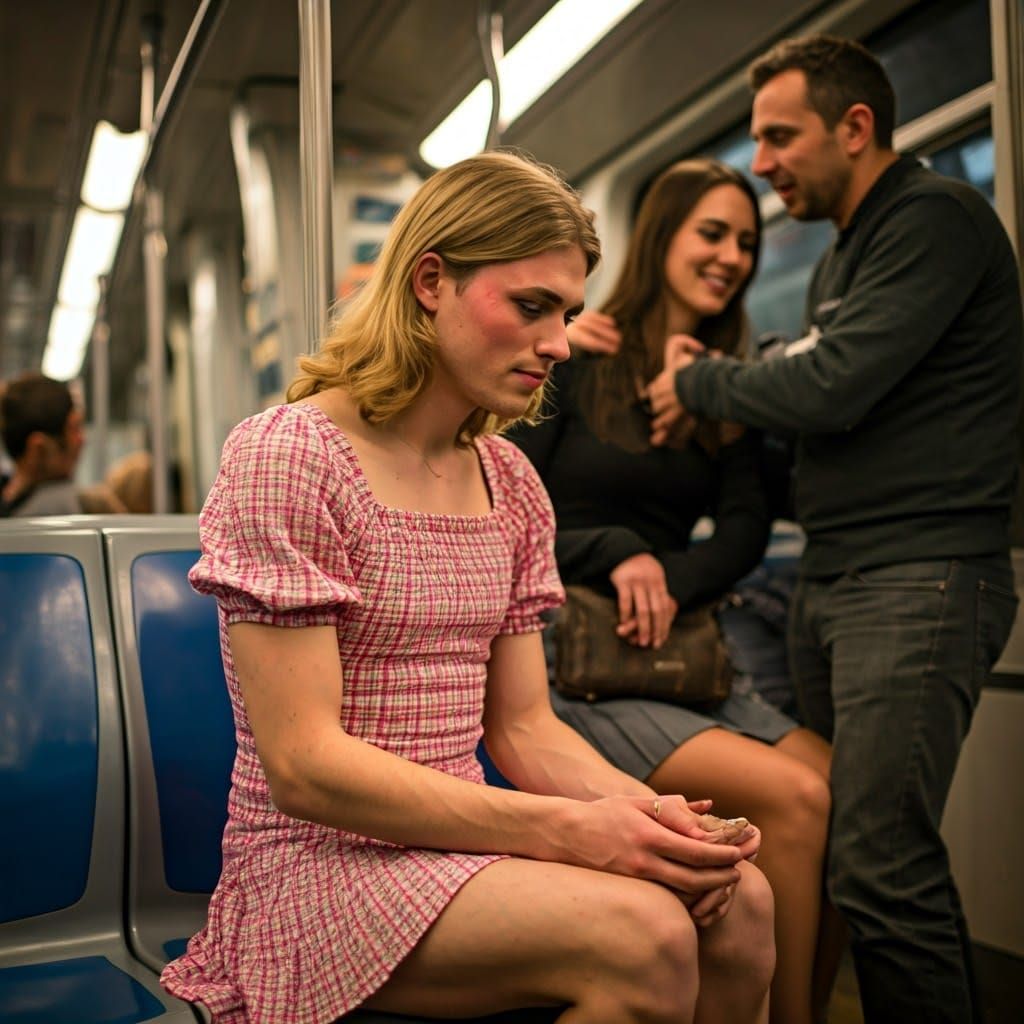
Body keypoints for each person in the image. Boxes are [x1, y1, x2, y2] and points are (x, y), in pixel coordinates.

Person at [160, 151, 775, 1024]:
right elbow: (304, 767)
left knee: (744, 901)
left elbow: (524, 726)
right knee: (645, 936)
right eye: (532, 307)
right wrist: (569, 832)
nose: (559, 344)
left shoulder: (512, 482)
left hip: (461, 843)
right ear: (431, 282)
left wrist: (652, 817)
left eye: (566, 313)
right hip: (318, 863)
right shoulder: (290, 456)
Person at [645, 35, 1023, 1024]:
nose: (761, 162)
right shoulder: (846, 255)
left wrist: (696, 380)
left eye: (779, 136)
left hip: (917, 576)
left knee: (882, 862)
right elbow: (823, 416)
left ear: (855, 128)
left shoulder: (931, 219)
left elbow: (832, 380)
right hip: (838, 577)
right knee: (846, 858)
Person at [512, 158, 836, 1024]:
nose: (732, 255)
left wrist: (663, 579)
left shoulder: (716, 379)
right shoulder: (574, 354)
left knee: (843, 792)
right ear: (662, 236)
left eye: (748, 241)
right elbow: (511, 511)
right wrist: (621, 555)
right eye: (712, 233)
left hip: (675, 644)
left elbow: (741, 534)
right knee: (798, 802)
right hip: (578, 653)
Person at [0, 372, 85, 517]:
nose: (81, 440)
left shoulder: (9, 498)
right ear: (38, 448)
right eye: (73, 429)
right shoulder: (54, 509)